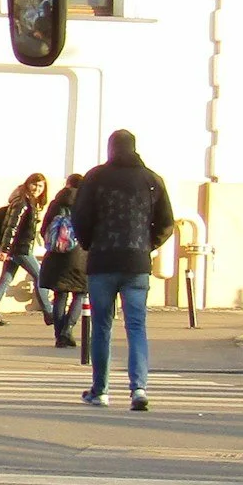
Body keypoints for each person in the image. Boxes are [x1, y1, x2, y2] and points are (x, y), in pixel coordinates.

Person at [69, 129, 175, 410]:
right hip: (136, 263)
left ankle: (100, 390)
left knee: (102, 327)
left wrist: (90, 242)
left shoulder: (95, 177)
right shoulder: (152, 180)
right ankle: (139, 389)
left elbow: (79, 217)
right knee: (137, 327)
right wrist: (147, 245)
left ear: (110, 149)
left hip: (102, 262)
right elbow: (166, 223)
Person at [0, 172, 50, 327]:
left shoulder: (28, 202)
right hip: (20, 249)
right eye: (34, 184)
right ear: (28, 184)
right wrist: (5, 249)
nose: (37, 189)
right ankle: (49, 312)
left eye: (40, 186)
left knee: (5, 279)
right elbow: (12, 227)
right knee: (41, 276)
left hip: (17, 248)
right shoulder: (22, 203)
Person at [37, 172, 88, 348]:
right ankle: (68, 330)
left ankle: (59, 335)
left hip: (56, 255)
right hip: (80, 256)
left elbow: (44, 229)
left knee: (60, 295)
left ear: (67, 184)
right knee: (80, 294)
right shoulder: (86, 203)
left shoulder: (55, 203)